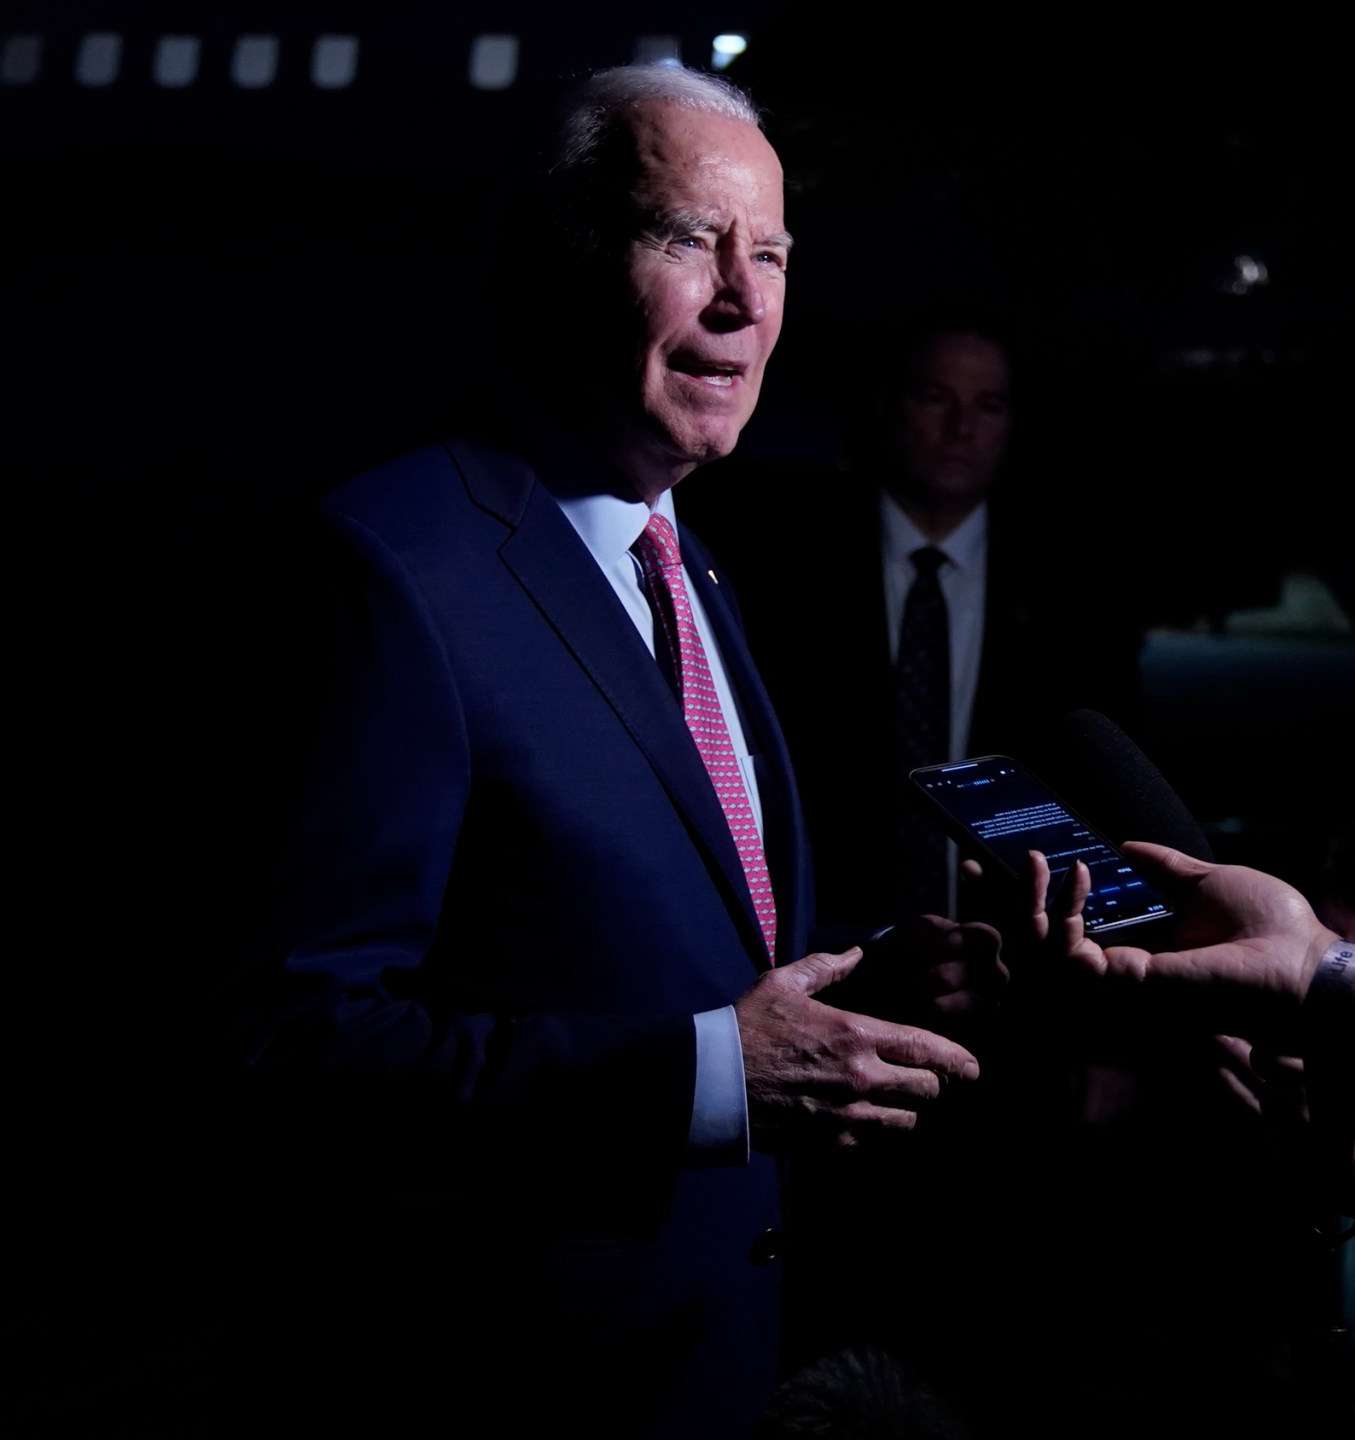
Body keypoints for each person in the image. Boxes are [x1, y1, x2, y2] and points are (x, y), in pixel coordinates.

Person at [223, 66, 1001, 1438]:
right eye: (687, 238)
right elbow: (298, 1048)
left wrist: (874, 975)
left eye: (768, 255)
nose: (743, 301)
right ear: (562, 259)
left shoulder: (691, 566)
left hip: (715, 1357)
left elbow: (674, 945)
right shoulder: (396, 568)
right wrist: (708, 1077)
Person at [703, 318, 1146, 931]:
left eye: (988, 404)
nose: (961, 428)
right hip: (825, 937)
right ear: (888, 404)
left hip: (1019, 954)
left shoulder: (1074, 592)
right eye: (935, 397)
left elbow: (1108, 787)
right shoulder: (785, 570)